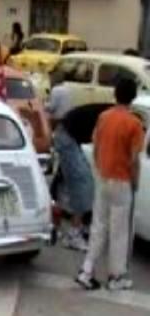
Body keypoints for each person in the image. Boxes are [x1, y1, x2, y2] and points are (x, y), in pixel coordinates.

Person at [76, 78, 144, 291]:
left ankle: (87, 270)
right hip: (122, 180)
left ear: (115, 94)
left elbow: (96, 146)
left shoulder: (104, 117)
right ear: (132, 97)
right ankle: (116, 276)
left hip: (103, 176)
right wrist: (135, 182)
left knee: (99, 226)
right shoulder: (134, 124)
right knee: (119, 230)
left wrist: (99, 169)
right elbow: (134, 159)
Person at [47, 66, 94, 251]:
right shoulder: (112, 118)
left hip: (66, 132)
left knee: (64, 181)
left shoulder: (58, 90)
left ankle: (56, 225)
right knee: (82, 184)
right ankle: (74, 233)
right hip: (67, 136)